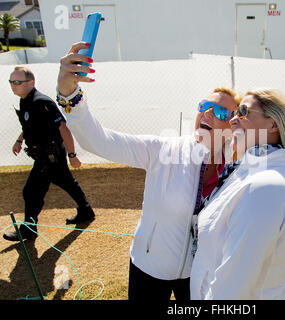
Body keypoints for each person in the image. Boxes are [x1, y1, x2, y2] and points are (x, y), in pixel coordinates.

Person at [56, 42, 241, 301]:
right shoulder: (164, 150)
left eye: (220, 111)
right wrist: (69, 95)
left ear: (232, 127)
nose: (208, 114)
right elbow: (100, 141)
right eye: (204, 106)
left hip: (200, 271)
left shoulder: (235, 170)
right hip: (149, 268)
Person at [190, 89, 285, 299]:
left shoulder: (266, 188)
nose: (233, 121)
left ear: (273, 124)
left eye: (243, 112)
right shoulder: (246, 170)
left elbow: (232, 290)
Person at [3, 66, 95, 242]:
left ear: (31, 83)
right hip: (44, 156)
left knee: (30, 191)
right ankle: (86, 210)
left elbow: (63, 127)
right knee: (66, 181)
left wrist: (72, 154)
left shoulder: (41, 102)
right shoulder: (25, 100)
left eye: (17, 82)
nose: (13, 86)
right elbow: (29, 126)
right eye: (11, 82)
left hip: (50, 156)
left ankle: (29, 229)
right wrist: (19, 140)